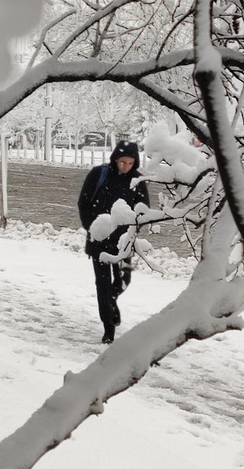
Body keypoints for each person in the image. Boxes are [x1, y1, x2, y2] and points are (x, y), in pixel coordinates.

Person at [77, 141, 150, 344]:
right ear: (115, 159)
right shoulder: (98, 174)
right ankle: (108, 327)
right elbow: (83, 203)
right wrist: (92, 227)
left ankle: (112, 299)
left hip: (124, 241)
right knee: (102, 284)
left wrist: (132, 232)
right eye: (122, 162)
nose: (125, 166)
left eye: (129, 163)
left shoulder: (137, 181)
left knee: (123, 279)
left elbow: (144, 211)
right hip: (99, 239)